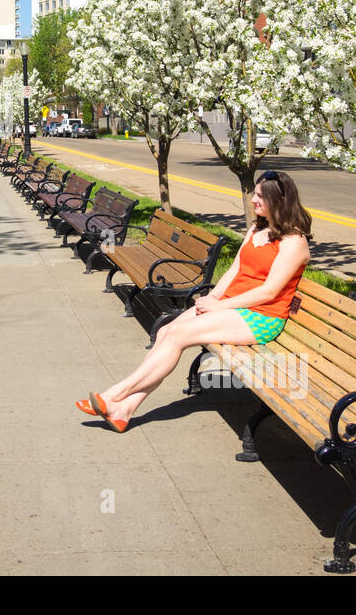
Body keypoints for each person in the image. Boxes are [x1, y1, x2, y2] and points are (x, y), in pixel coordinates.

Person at [76, 170, 312, 433]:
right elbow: (235, 270)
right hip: (234, 306)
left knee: (177, 334)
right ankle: (124, 410)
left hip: (260, 317)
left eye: (259, 196)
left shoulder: (294, 241)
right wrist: (212, 297)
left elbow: (269, 292)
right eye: (254, 194)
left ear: (278, 200)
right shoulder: (257, 228)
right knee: (167, 330)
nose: (253, 200)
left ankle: (114, 396)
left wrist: (219, 306)